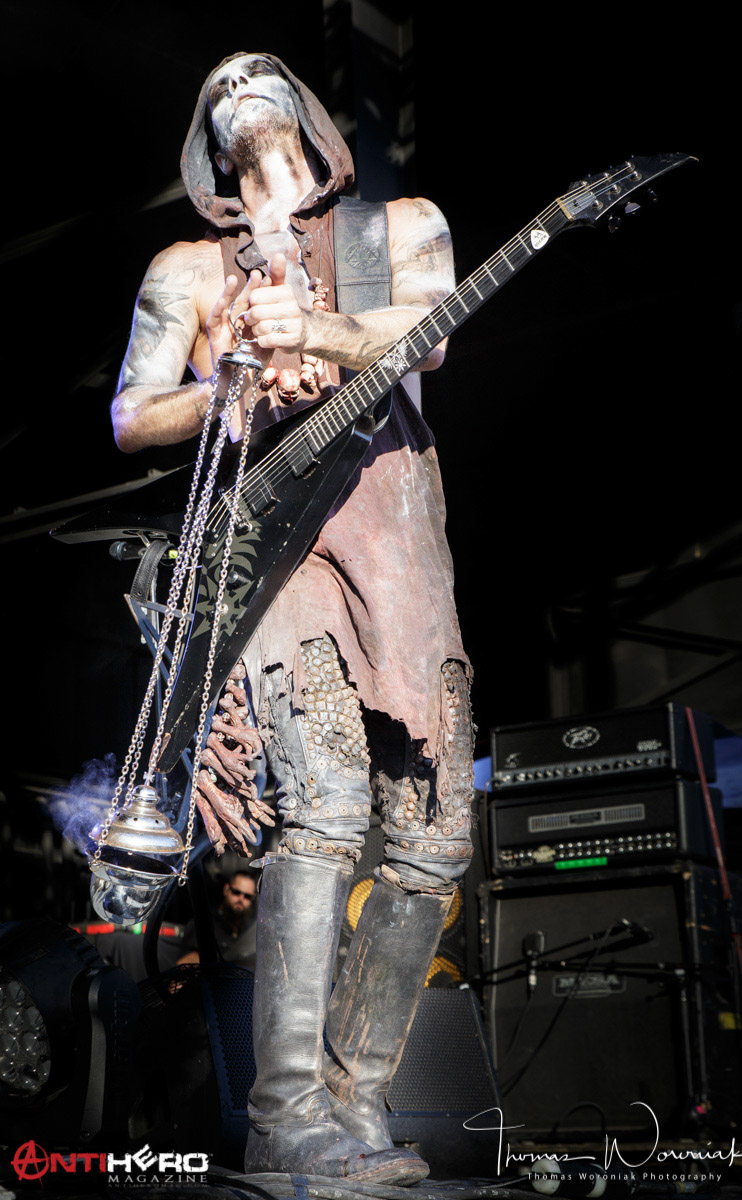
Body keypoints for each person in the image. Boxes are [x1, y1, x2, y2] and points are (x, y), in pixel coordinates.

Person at [111, 53, 474, 1185]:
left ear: (310, 115)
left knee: (434, 835)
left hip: (393, 533)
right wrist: (228, 383)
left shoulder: (400, 226)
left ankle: (352, 1102)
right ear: (207, 149)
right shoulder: (186, 268)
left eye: (260, 73)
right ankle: (284, 1114)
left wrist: (312, 333)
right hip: (272, 547)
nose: (238, 82)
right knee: (320, 805)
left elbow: (432, 334)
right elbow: (130, 413)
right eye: (218, 85)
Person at [176, 869, 258, 971]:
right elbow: (184, 965)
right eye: (236, 892)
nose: (241, 899)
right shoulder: (205, 923)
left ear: (253, 898)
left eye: (247, 896)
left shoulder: (254, 931)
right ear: (226, 889)